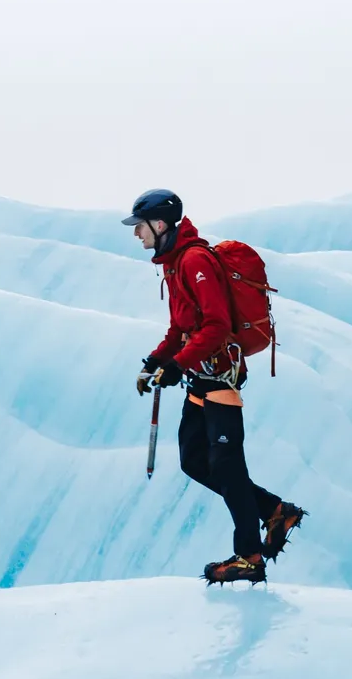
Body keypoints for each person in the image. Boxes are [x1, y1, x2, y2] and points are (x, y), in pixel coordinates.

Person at [123, 188, 304, 584]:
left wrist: (175, 365)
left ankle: (249, 557)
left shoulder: (195, 261)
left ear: (160, 223)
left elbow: (217, 325)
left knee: (227, 467)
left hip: (219, 376)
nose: (137, 234)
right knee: (194, 460)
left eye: (140, 226)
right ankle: (275, 511)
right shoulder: (174, 265)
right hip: (199, 378)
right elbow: (180, 328)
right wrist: (155, 361)